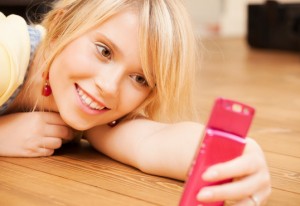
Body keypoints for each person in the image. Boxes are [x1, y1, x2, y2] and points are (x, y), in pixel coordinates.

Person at [0, 0, 271, 205]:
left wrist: (237, 154)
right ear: (59, 29)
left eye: (139, 78)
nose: (108, 87)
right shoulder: (6, 54)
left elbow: (150, 142)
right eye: (104, 51)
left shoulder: (90, 108)